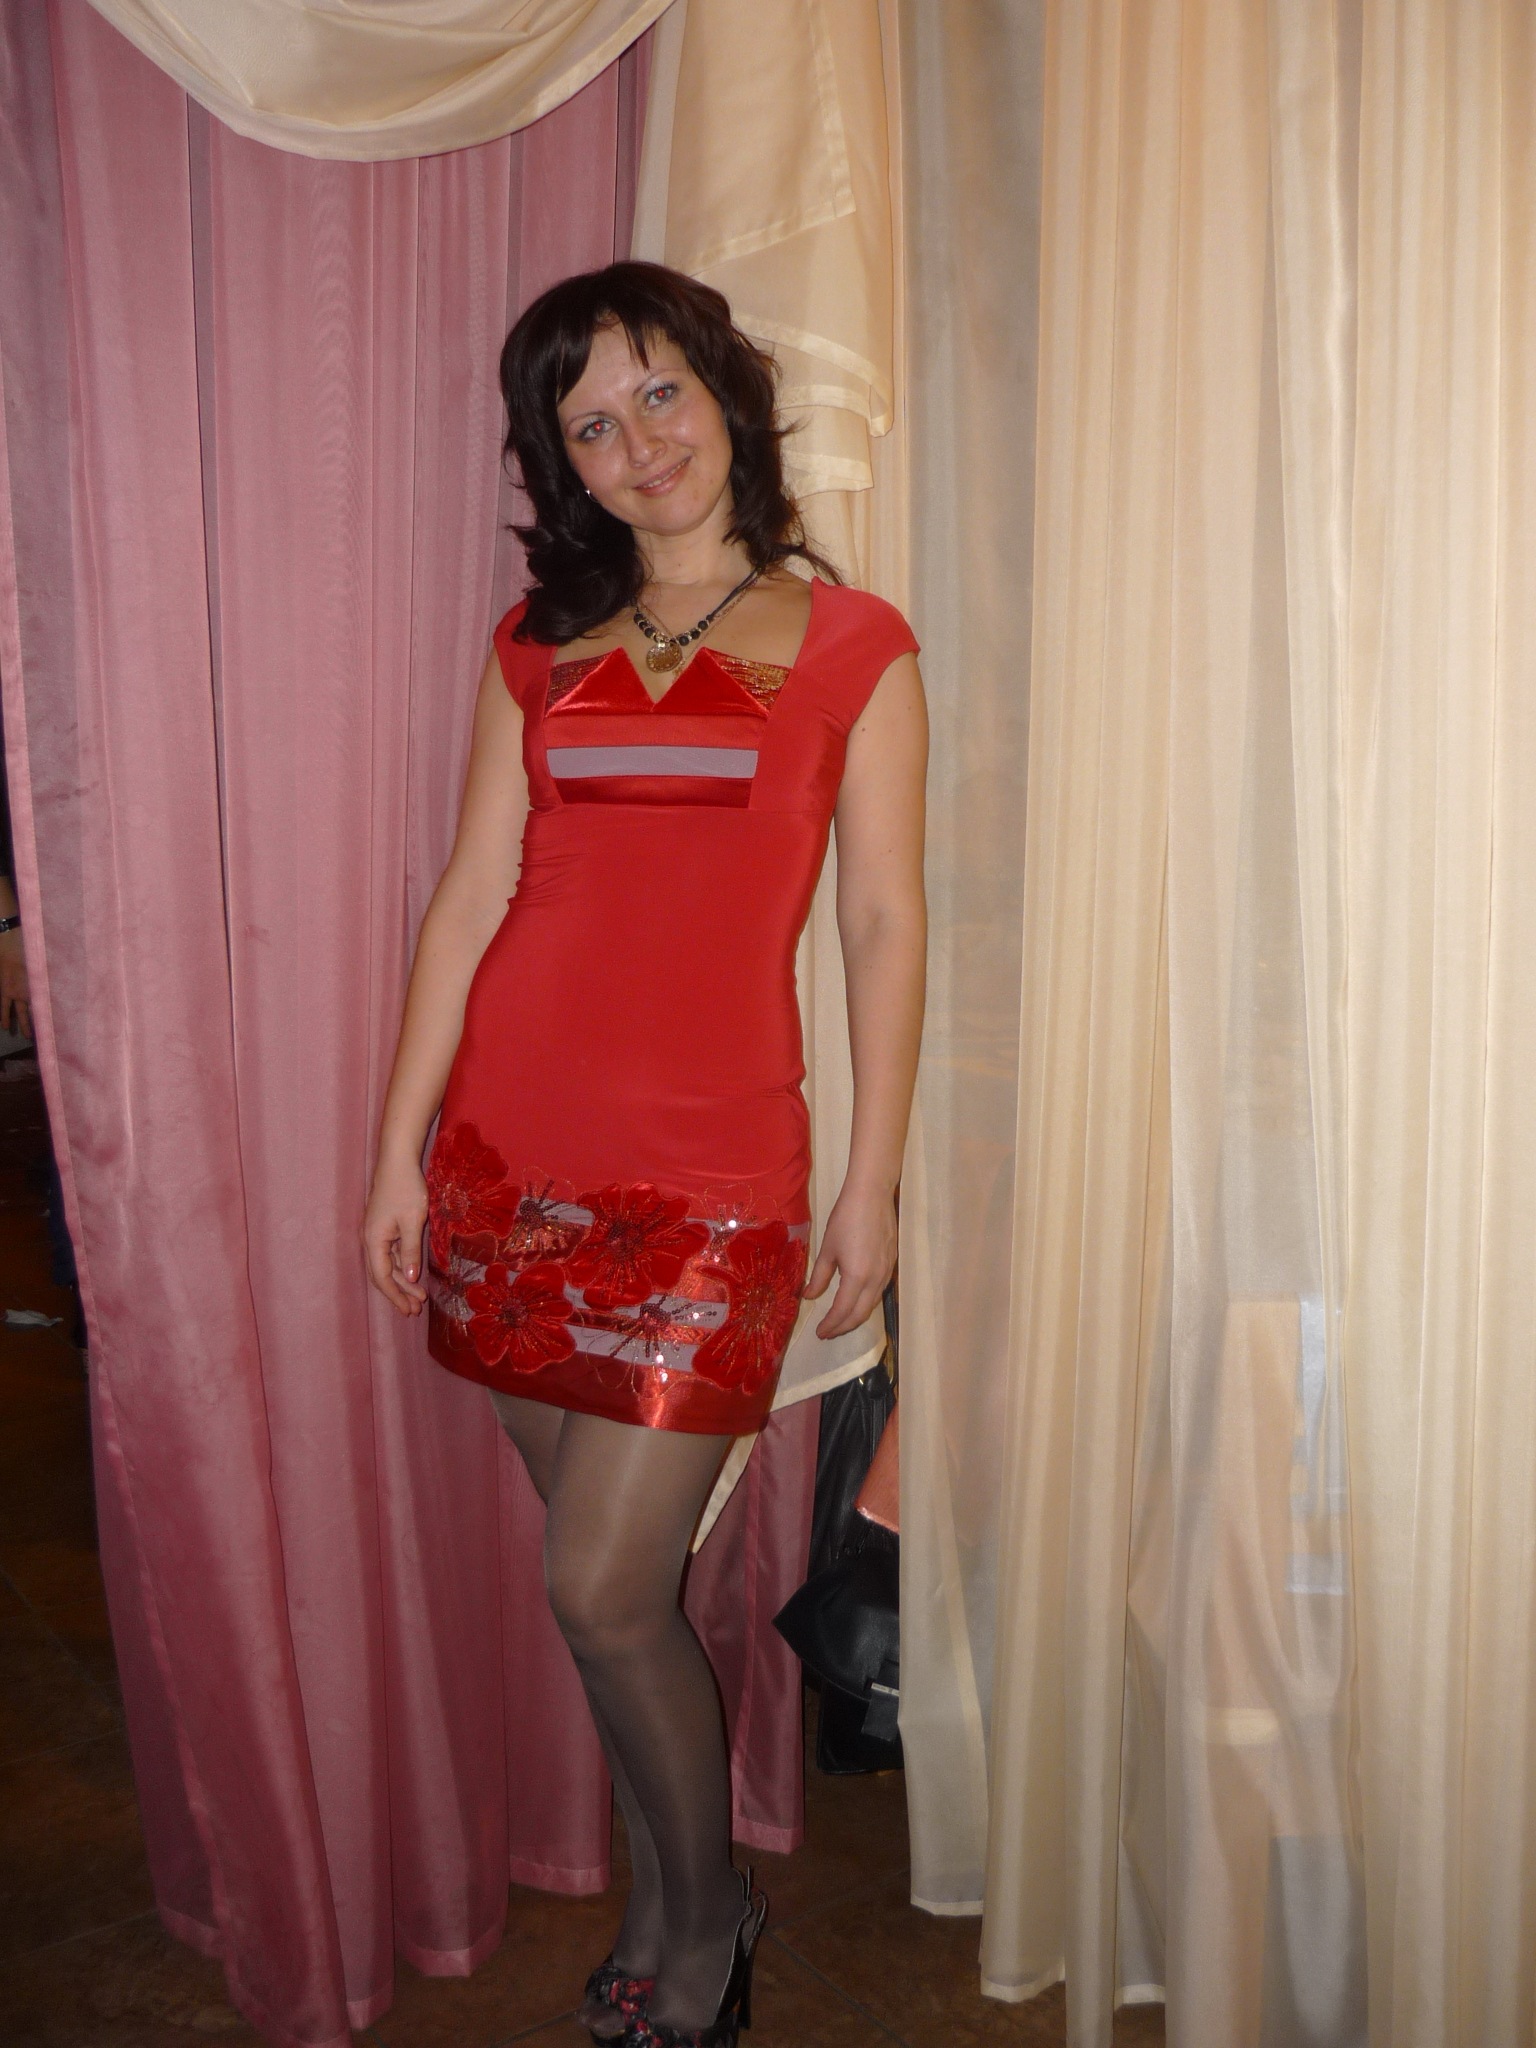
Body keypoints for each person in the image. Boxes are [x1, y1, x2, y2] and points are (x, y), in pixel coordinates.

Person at [362, 261, 927, 2048]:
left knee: (604, 1591)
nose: (638, 444)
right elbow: (470, 898)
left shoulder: (854, 644)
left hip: (714, 1182)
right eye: (592, 425)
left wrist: (874, 1179)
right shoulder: (537, 646)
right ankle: (684, 1893)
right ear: (566, 464)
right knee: (614, 1605)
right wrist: (397, 1153)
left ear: (728, 392)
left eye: (659, 393)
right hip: (508, 1159)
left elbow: (885, 925)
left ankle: (702, 1926)